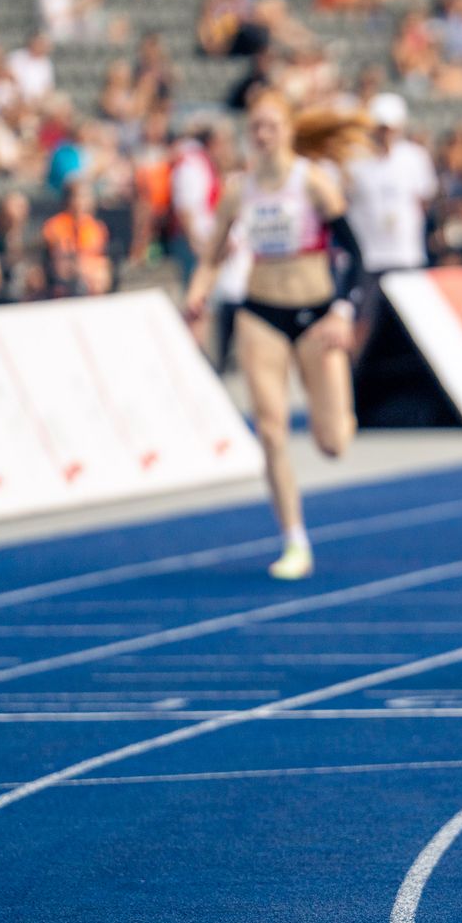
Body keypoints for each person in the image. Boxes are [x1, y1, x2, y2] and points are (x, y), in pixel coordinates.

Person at [183, 90, 368, 580]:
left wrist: (343, 312)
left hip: (315, 313)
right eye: (255, 128)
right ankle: (294, 540)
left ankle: (343, 404)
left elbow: (354, 254)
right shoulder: (238, 190)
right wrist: (197, 293)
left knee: (333, 443)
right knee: (270, 429)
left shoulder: (313, 183)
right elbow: (214, 254)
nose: (262, 136)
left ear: (288, 130)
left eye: (270, 126)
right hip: (259, 310)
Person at [342, 91, 435, 350]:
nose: (385, 134)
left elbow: (423, 200)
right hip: (369, 256)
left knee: (414, 321)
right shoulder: (355, 160)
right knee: (363, 320)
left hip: (406, 254)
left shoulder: (414, 157)